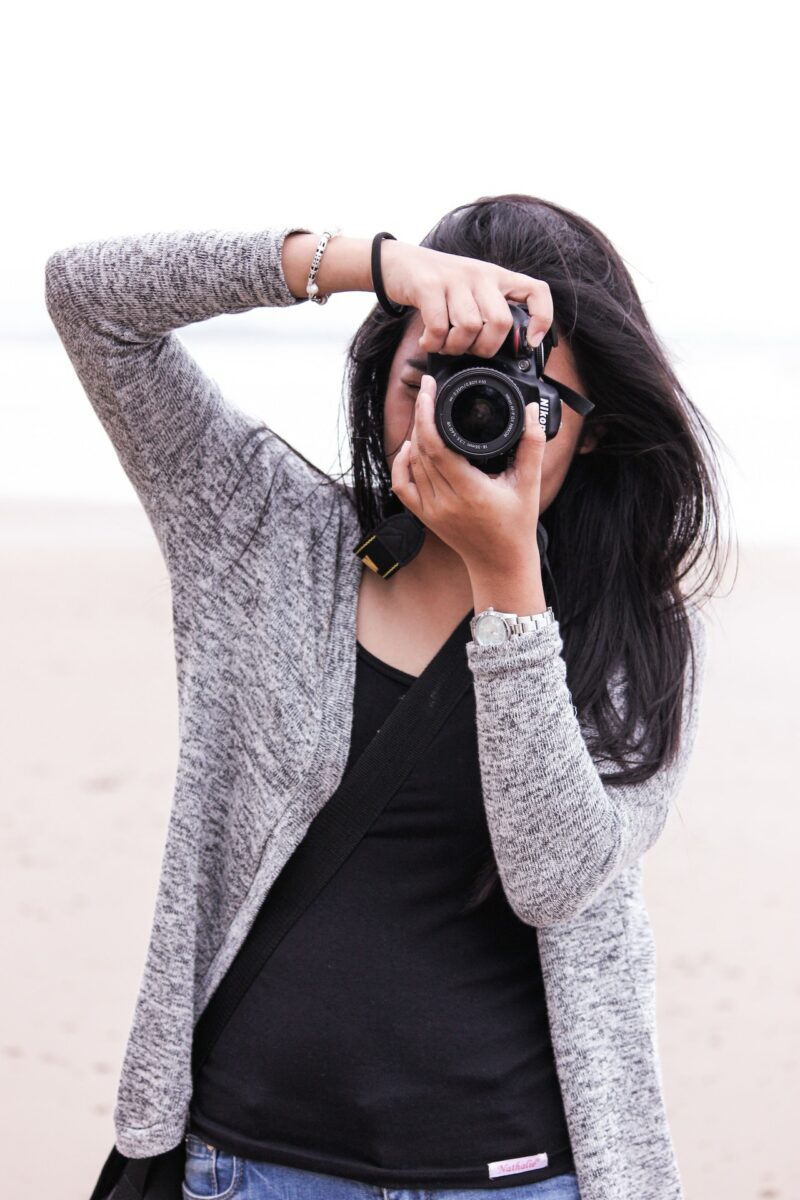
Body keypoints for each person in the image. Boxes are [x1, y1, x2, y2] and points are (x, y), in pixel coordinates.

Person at [44, 194, 729, 1200]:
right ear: (383, 377)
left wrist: (507, 585)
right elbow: (89, 302)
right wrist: (367, 264)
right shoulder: (259, 531)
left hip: (513, 1177)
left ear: (588, 433)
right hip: (252, 1165)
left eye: (516, 398)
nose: (465, 420)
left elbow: (552, 879)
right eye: (430, 377)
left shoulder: (641, 635)